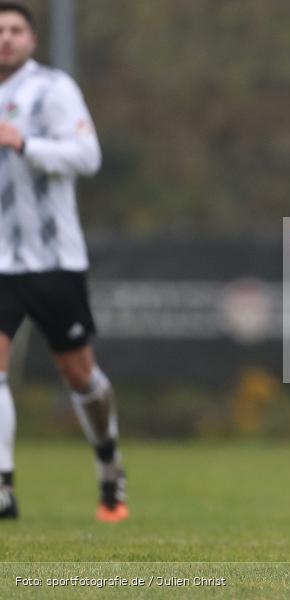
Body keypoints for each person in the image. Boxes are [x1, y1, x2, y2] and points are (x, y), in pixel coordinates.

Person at [0, 2, 126, 522]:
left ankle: (109, 465)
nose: (5, 38)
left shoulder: (52, 89)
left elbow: (87, 156)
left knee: (80, 377)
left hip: (54, 261)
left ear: (32, 38)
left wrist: (26, 143)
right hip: (1, 264)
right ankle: (3, 488)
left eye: (14, 29)